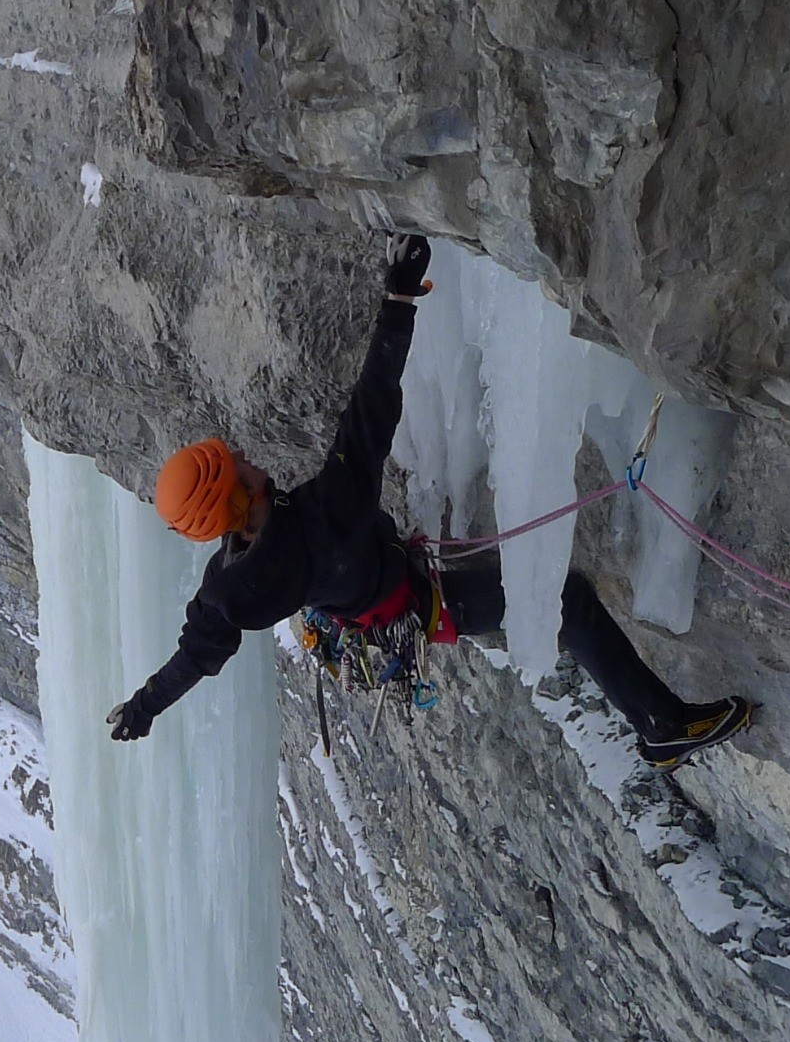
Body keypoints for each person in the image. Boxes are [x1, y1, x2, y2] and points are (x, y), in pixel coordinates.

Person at [105, 233, 753, 770]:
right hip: (420, 600)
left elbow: (195, 655)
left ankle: (657, 720)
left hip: (381, 605)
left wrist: (145, 707)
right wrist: (397, 301)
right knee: (570, 603)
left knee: (553, 596)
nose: (247, 455)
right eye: (234, 462)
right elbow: (371, 409)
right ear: (233, 490)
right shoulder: (323, 516)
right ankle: (660, 725)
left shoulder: (229, 586)